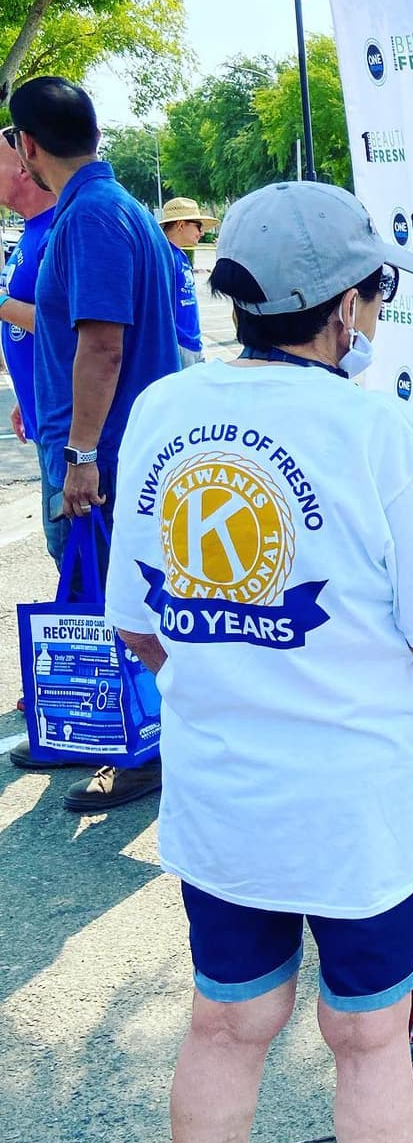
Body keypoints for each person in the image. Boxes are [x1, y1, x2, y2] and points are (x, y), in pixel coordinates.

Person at [104, 180, 413, 1143]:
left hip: (225, 799)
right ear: (345, 306)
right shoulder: (380, 433)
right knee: (367, 1039)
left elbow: (140, 628)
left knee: (228, 1025)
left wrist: (232, 658)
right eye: (378, 294)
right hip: (361, 810)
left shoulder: (163, 409)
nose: (376, 314)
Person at [6, 76, 180, 808]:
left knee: (123, 602)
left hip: (103, 457)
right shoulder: (105, 207)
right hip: (99, 449)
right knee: (96, 597)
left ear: (29, 145)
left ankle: (147, 753)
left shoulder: (94, 217)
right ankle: (97, 731)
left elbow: (102, 345)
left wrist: (80, 456)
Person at [0, 125, 56, 450]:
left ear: (23, 165)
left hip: (63, 428)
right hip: (40, 415)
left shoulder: (54, 230)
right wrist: (25, 396)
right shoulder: (31, 229)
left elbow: (61, 323)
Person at [159, 196, 217, 367]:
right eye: (198, 226)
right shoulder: (165, 256)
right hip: (178, 345)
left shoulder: (181, 256)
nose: (202, 232)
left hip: (193, 343)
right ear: (181, 225)